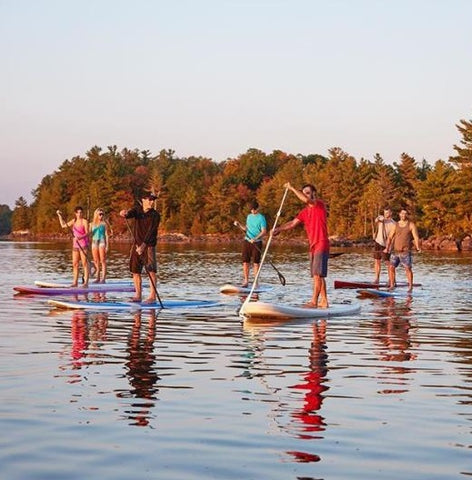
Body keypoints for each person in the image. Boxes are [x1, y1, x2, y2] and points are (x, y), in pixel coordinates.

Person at [273, 182, 330, 308]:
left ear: (314, 193)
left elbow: (306, 199)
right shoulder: (304, 212)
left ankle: (314, 302)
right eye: (305, 193)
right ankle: (324, 301)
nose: (307, 196)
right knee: (318, 275)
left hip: (321, 242)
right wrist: (279, 229)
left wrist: (292, 188)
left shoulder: (318, 204)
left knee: (317, 275)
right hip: (313, 245)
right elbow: (292, 223)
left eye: (309, 193)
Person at [119, 192, 160, 303]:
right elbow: (129, 214)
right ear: (143, 200)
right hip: (136, 245)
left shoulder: (155, 215)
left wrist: (143, 246)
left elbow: (151, 232)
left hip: (149, 246)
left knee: (151, 270)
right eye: (150, 200)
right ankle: (138, 295)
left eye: (153, 200)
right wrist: (125, 213)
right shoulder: (137, 210)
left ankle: (152, 296)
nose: (152, 202)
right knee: (135, 271)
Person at [384, 208, 421, 292]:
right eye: (402, 214)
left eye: (405, 214)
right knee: (391, 267)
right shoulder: (395, 225)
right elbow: (390, 237)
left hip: (406, 251)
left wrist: (418, 247)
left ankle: (410, 286)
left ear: (406, 215)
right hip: (395, 251)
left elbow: (416, 237)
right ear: (399, 215)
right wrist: (387, 248)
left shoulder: (411, 225)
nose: (403, 215)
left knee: (408, 268)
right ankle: (392, 285)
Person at [233, 200, 267, 287]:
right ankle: (246, 281)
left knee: (256, 263)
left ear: (257, 208)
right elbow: (246, 229)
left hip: (257, 242)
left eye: (254, 209)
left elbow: (264, 231)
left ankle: (256, 282)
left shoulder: (261, 218)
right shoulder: (249, 217)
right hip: (247, 241)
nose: (253, 211)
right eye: (251, 209)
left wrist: (255, 238)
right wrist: (239, 224)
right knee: (245, 262)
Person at [56, 206, 90, 287]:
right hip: (75, 245)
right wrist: (59, 216)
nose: (80, 214)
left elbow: (88, 233)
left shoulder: (84, 221)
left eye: (81, 212)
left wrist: (80, 237)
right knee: (75, 264)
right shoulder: (73, 221)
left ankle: (86, 283)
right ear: (75, 213)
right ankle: (75, 282)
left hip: (83, 245)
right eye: (78, 213)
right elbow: (63, 225)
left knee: (84, 263)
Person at [373, 207, 396, 284]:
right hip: (378, 242)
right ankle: (377, 279)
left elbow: (393, 237)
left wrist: (388, 247)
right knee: (377, 261)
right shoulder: (381, 218)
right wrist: (380, 219)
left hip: (387, 244)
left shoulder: (393, 223)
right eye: (385, 213)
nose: (386, 214)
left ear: (391, 213)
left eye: (388, 213)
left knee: (388, 263)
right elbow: (376, 220)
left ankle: (391, 279)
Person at [89, 208, 110, 283]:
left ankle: (103, 278)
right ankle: (97, 278)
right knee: (96, 261)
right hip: (94, 242)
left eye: (102, 214)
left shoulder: (104, 223)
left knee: (102, 260)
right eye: (100, 214)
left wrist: (107, 245)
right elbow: (89, 234)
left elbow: (107, 235)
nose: (101, 216)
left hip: (101, 241)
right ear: (96, 215)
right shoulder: (91, 224)